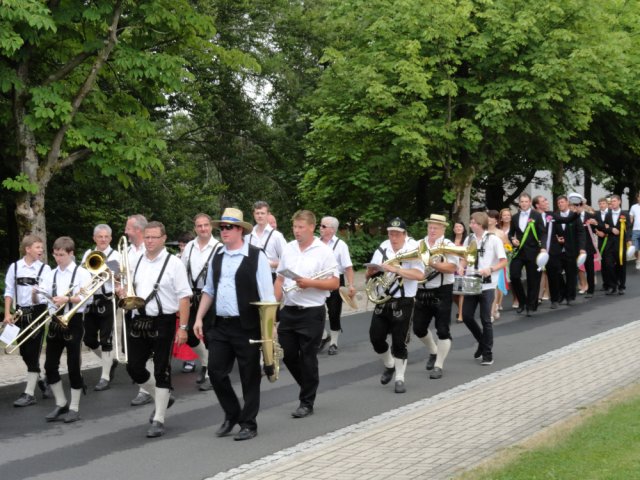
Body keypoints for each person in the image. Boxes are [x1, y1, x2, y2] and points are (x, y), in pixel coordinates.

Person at [193, 208, 275, 441]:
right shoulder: (218, 255)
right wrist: (199, 318)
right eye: (222, 228)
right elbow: (209, 290)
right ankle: (232, 414)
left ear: (240, 230)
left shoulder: (256, 256)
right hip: (221, 325)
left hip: (247, 325)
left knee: (250, 375)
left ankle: (249, 423)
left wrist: (270, 330)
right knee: (216, 373)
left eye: (229, 227)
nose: (224, 231)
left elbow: (267, 296)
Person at [121, 221, 192, 438]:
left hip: (164, 320)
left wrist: (183, 328)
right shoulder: (136, 260)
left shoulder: (174, 263)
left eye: (154, 237)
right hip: (138, 319)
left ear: (163, 238)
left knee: (162, 369)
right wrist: (122, 291)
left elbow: (184, 297)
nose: (150, 241)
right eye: (147, 237)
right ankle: (162, 396)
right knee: (133, 367)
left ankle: (159, 418)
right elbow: (129, 287)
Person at [274, 210, 339, 417]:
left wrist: (310, 283)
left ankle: (306, 402)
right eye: (295, 227)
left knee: (308, 356)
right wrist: (272, 305)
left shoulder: (324, 251)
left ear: (312, 227)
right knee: (289, 354)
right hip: (290, 309)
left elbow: (334, 283)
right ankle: (309, 384)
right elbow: (280, 279)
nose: (297, 231)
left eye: (301, 227)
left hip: (312, 312)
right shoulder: (289, 248)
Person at [366, 218, 424, 393]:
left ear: (404, 234)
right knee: (376, 338)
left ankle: (400, 378)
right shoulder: (383, 247)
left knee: (399, 342)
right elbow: (370, 275)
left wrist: (396, 270)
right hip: (383, 298)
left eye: (397, 234)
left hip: (403, 300)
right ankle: (389, 364)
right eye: (391, 233)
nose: (393, 237)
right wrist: (371, 272)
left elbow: (419, 274)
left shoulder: (412, 248)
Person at [41, 237, 93, 423]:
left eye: (61, 255)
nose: (58, 258)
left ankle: (74, 407)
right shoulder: (51, 274)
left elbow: (89, 298)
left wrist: (67, 300)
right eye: (55, 254)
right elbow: (43, 297)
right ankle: (61, 403)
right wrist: (36, 294)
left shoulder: (82, 273)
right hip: (55, 320)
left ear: (71, 253)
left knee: (73, 366)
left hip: (74, 320)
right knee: (49, 366)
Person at [3, 235, 52, 407]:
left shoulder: (45, 269)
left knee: (33, 352)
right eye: (38, 247)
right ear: (28, 249)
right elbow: (9, 291)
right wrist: (7, 313)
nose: (41, 250)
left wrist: (35, 295)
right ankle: (40, 379)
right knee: (24, 352)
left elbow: (44, 295)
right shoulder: (15, 267)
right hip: (19, 314)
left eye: (41, 247)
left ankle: (29, 394)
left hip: (37, 312)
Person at [412, 214, 457, 379]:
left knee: (443, 329)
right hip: (421, 290)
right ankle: (433, 351)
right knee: (418, 328)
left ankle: (438, 365)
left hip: (442, 289)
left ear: (443, 229)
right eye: (430, 226)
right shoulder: (418, 244)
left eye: (436, 227)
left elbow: (452, 267)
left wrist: (432, 263)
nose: (432, 230)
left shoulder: (448, 245)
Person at [460, 212, 507, 366]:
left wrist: (491, 269)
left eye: (474, 222)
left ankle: (488, 353)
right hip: (472, 282)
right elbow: (466, 258)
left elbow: (503, 261)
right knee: (466, 315)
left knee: (486, 318)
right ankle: (482, 341)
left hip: (487, 284)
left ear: (481, 224)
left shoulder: (493, 240)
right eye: (471, 222)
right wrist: (461, 267)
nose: (471, 224)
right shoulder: (469, 239)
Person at [181, 213, 220, 390]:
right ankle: (205, 361)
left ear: (211, 226)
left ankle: (211, 373)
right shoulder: (189, 247)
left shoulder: (219, 247)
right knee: (188, 334)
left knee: (211, 335)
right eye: (199, 226)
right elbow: (181, 273)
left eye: (206, 225)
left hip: (211, 296)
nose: (203, 229)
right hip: (190, 296)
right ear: (195, 228)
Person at [81, 224, 121, 391]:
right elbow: (83, 273)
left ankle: (104, 376)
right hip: (91, 300)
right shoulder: (88, 254)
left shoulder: (116, 255)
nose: (103, 239)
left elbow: (120, 278)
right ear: (94, 238)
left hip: (108, 299)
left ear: (110, 238)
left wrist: (113, 274)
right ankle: (110, 361)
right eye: (100, 237)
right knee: (89, 339)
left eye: (106, 237)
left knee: (106, 339)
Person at [123, 214, 155, 407]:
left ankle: (147, 389)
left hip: (149, 307)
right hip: (131, 307)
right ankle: (149, 384)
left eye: (128, 228)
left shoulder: (150, 251)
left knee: (149, 351)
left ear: (138, 230)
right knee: (134, 352)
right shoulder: (126, 251)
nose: (125, 232)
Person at [318, 216, 356, 355]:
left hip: (335, 280)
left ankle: (333, 342)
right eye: (320, 225)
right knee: (315, 311)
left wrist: (351, 285)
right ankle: (323, 336)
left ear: (332, 229)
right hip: (318, 281)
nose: (320, 228)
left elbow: (348, 267)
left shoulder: (341, 245)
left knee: (334, 313)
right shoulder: (315, 242)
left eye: (323, 226)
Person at [509, 193, 547, 316]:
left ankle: (531, 306)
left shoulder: (537, 215)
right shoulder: (514, 217)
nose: (524, 203)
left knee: (533, 280)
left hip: (533, 252)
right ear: (519, 203)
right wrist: (512, 240)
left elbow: (543, 233)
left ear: (530, 202)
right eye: (522, 201)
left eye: (526, 201)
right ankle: (522, 301)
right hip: (519, 252)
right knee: (514, 275)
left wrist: (543, 248)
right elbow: (511, 233)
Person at [246, 200, 287, 281]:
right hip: (251, 277)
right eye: (257, 213)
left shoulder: (277, 236)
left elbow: (287, 261)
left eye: (262, 213)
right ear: (254, 215)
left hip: (270, 277)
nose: (260, 216)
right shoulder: (248, 235)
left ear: (268, 214)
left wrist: (271, 264)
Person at [598, 195, 629, 295]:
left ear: (619, 202)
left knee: (621, 265)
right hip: (610, 244)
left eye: (615, 201)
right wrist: (611, 229)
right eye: (611, 201)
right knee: (608, 265)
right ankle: (613, 285)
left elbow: (628, 228)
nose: (613, 203)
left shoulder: (625, 214)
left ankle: (621, 286)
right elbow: (604, 228)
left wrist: (628, 240)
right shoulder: (608, 215)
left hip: (620, 245)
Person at [487, 210, 508, 321]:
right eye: (487, 217)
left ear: (496, 220)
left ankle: (492, 310)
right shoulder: (483, 231)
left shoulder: (500, 233)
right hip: (485, 264)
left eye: (491, 217)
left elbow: (508, 247)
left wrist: (504, 250)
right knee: (487, 288)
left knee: (495, 287)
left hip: (498, 264)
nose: (488, 219)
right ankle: (493, 308)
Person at [450, 221, 467, 323]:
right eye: (456, 226)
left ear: (463, 229)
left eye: (460, 226)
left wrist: (461, 265)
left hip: (462, 267)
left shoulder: (466, 240)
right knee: (453, 293)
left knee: (460, 292)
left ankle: (460, 314)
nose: (458, 228)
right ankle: (463, 309)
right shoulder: (449, 241)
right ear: (453, 229)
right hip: (452, 267)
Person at [630, 192, 640, 270]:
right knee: (635, 248)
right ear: (637, 198)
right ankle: (638, 259)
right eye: (639, 197)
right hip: (635, 230)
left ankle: (639, 261)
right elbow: (631, 219)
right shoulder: (633, 207)